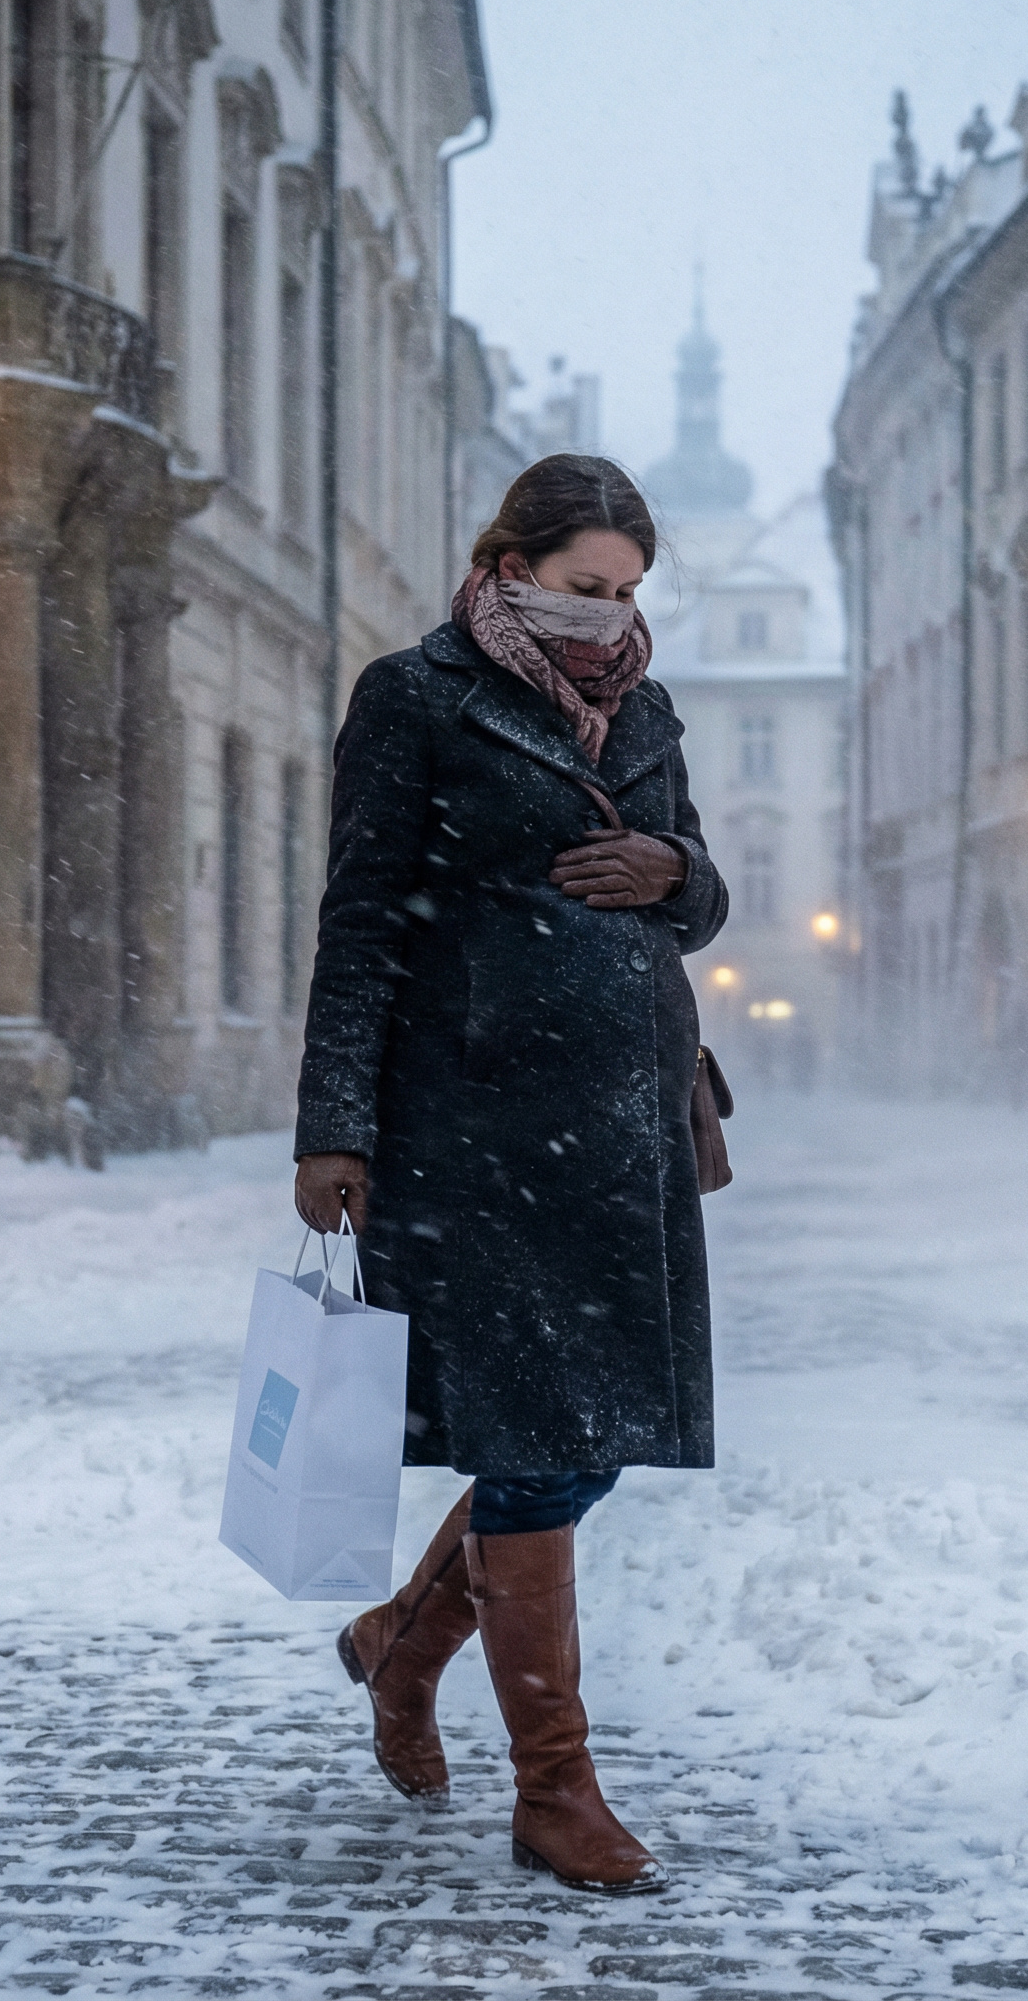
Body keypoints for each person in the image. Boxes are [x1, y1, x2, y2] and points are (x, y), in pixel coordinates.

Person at [292, 454, 727, 1895]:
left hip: (629, 1121)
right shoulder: (416, 696)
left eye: (628, 594)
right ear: (512, 565)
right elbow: (361, 919)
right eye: (584, 588)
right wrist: (334, 1125)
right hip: (479, 1128)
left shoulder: (645, 704)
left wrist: (672, 868)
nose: (609, 617)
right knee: (541, 1440)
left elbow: (708, 890)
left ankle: (401, 1648)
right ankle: (557, 1787)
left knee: (590, 1438)